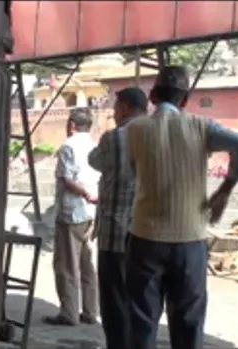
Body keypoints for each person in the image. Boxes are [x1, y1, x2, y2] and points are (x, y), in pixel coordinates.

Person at [124, 65, 238, 349]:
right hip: (190, 240)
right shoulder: (201, 127)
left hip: (145, 237)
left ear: (153, 95)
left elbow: (132, 172)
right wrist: (224, 189)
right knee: (188, 321)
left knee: (142, 322)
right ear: (185, 100)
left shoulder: (134, 130)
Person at [88, 87, 148, 349]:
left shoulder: (116, 137)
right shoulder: (156, 136)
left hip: (114, 231)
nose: (113, 113)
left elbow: (95, 161)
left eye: (115, 107)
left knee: (114, 300)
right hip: (147, 232)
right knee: (141, 299)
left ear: (124, 107)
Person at [43, 107, 101, 326]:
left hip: (72, 211)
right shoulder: (95, 146)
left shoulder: (68, 146)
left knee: (67, 265)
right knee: (88, 264)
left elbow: (67, 179)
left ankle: (69, 313)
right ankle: (90, 311)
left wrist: (85, 193)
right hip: (92, 212)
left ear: (71, 125)